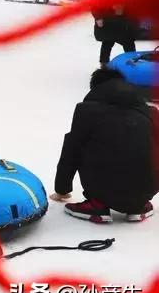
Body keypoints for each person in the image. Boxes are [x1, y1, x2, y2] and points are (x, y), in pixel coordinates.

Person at [50, 68, 157, 223]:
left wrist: (62, 190)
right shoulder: (150, 112)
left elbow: (71, 151)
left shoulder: (86, 111)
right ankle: (139, 206)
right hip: (146, 189)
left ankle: (98, 204)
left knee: (83, 144)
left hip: (103, 185)